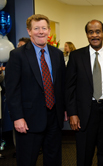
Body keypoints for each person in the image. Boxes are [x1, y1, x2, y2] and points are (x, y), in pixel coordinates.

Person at [5, 14, 66, 166]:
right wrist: (17, 117)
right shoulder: (17, 55)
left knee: (53, 160)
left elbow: (61, 85)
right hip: (28, 120)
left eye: (44, 28)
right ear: (29, 31)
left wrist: (64, 109)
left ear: (49, 31)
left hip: (54, 118)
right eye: (36, 28)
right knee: (27, 161)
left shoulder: (57, 54)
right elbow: (12, 90)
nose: (41, 32)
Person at [65, 19, 103, 166]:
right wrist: (72, 113)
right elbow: (69, 87)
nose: (94, 35)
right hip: (84, 114)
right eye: (91, 32)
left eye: (98, 31)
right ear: (87, 34)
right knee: (84, 155)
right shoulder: (76, 56)